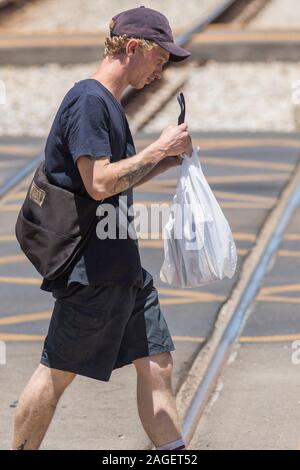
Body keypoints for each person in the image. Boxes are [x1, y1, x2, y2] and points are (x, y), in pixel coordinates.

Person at [11, 6, 192, 451]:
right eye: (159, 59)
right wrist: (157, 149)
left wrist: (163, 162)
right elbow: (98, 184)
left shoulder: (105, 102)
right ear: (133, 48)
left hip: (119, 268)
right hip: (90, 272)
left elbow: (111, 180)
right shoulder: (91, 102)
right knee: (57, 370)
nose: (161, 71)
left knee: (157, 363)